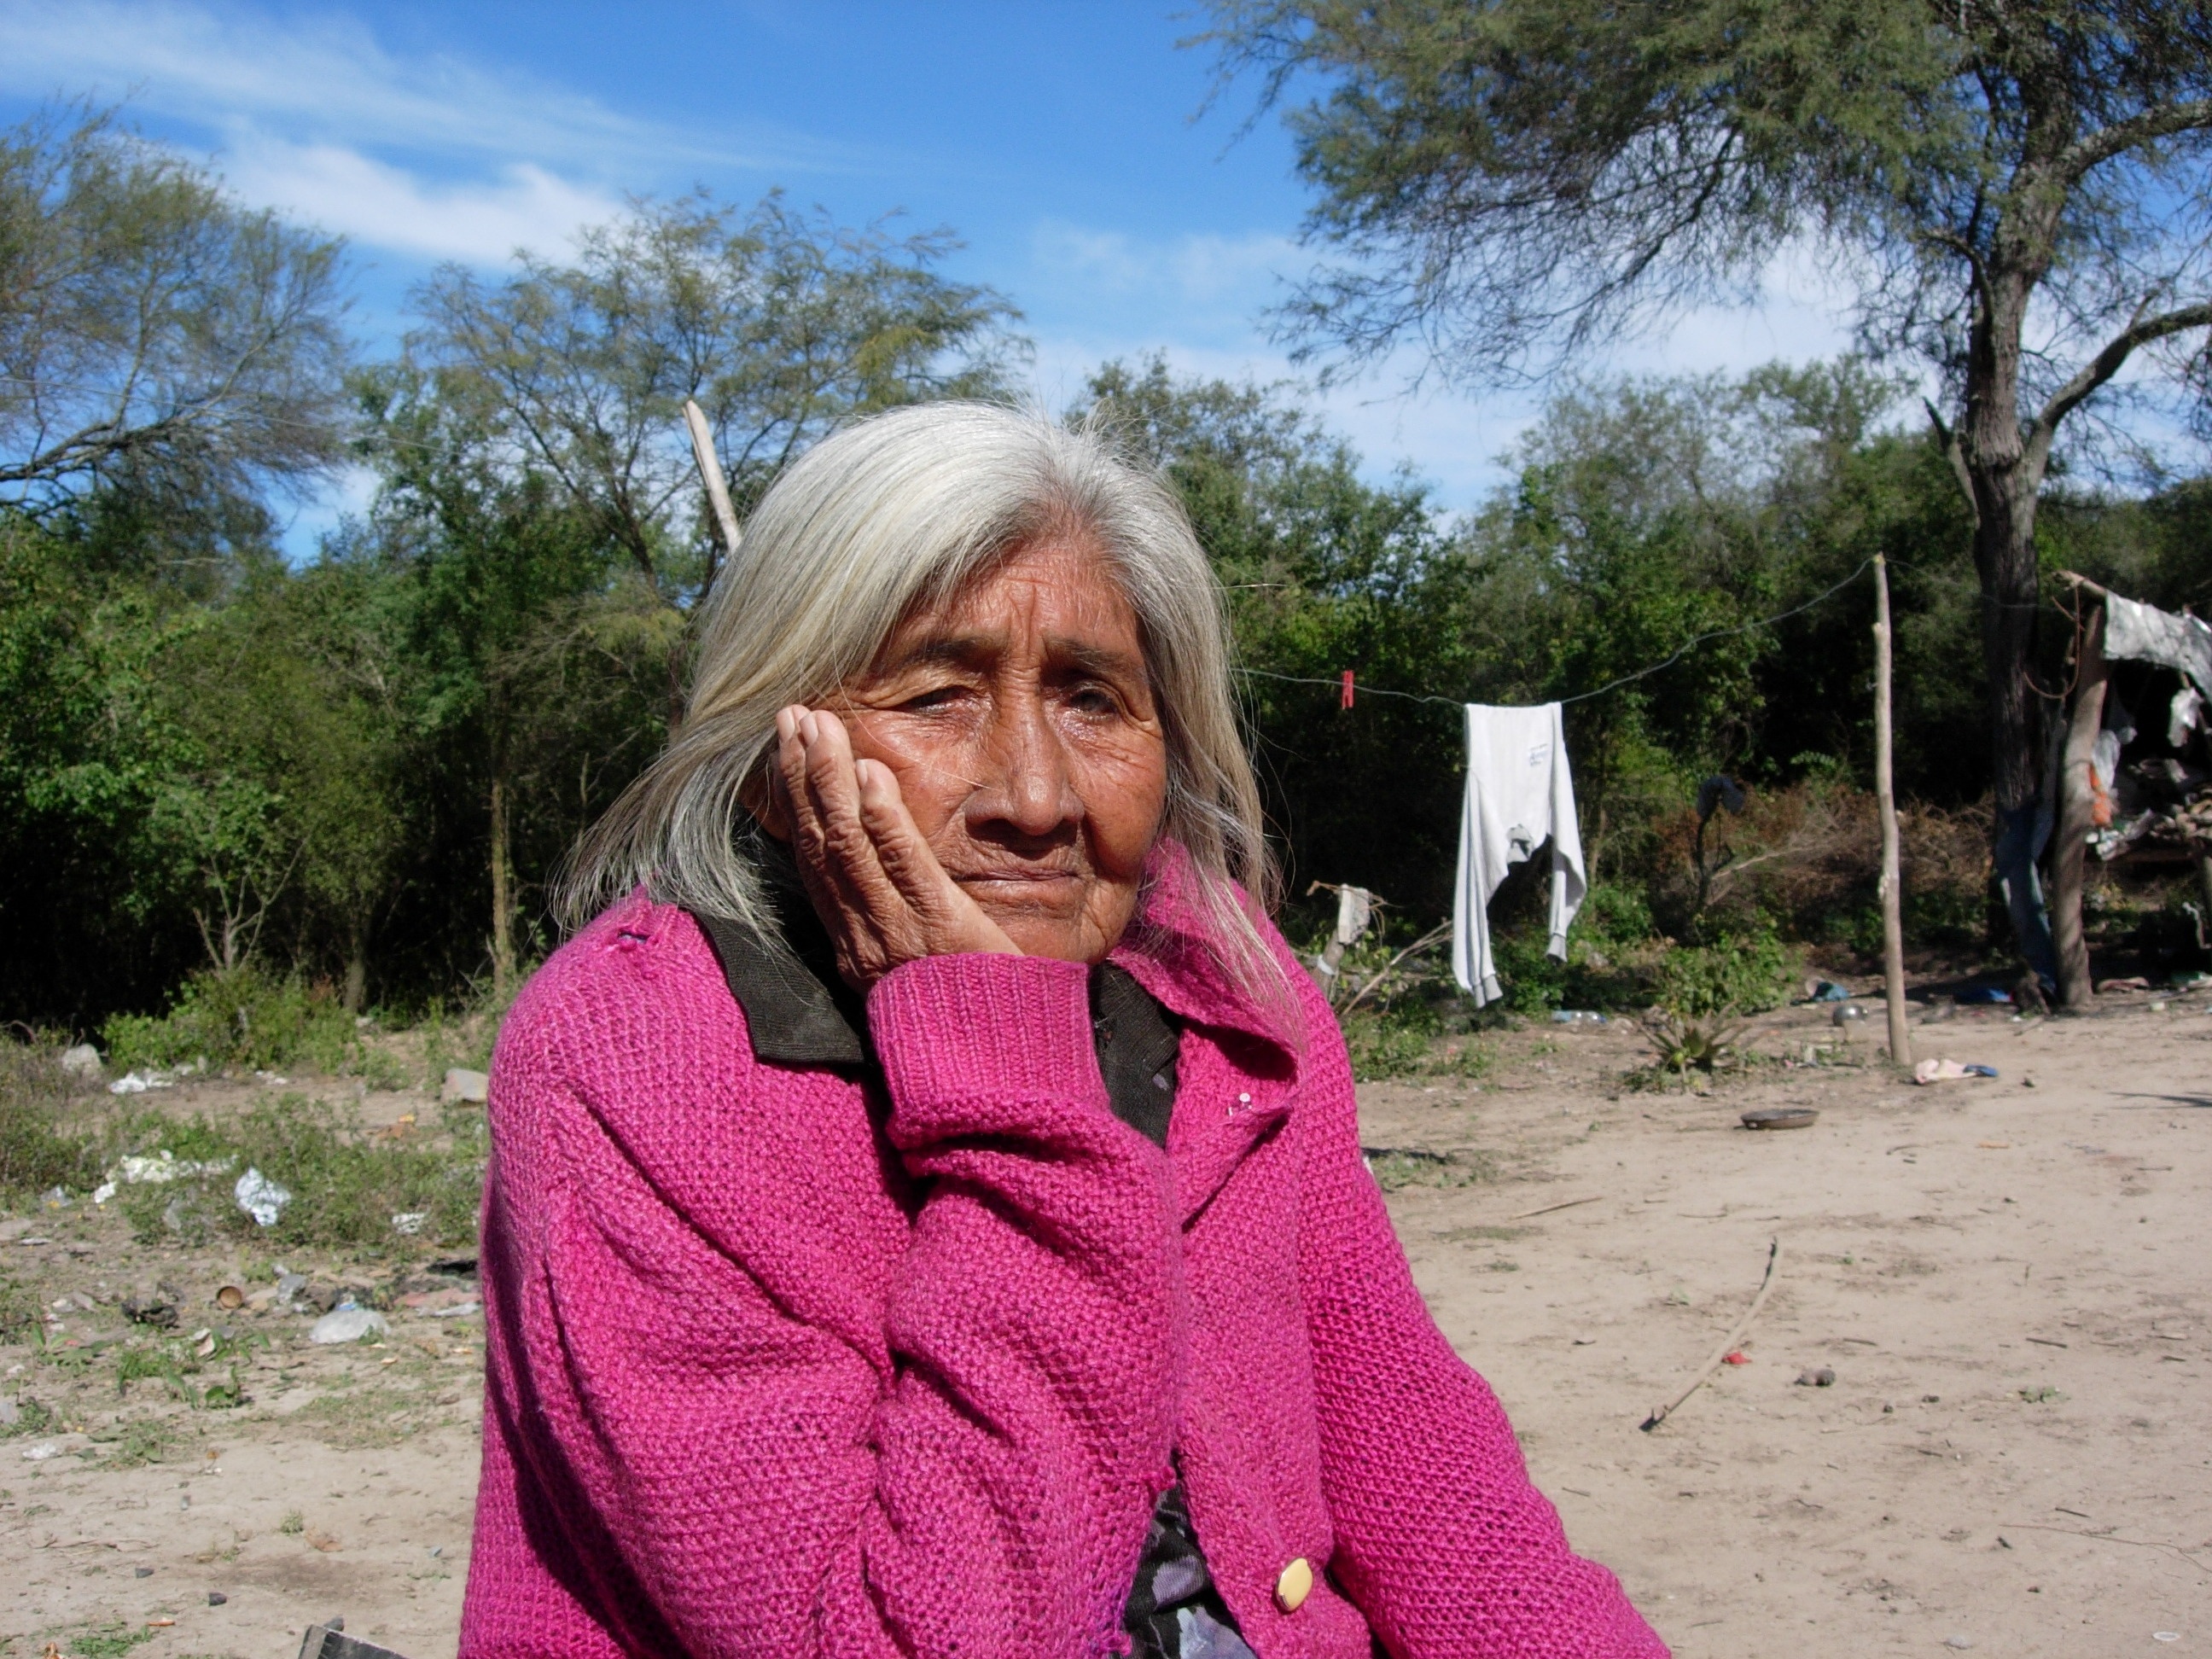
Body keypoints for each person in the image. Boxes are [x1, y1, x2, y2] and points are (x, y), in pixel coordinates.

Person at [457, 402, 1667, 1659]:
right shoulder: (636, 1053)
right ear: (776, 752)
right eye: (934, 695)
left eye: (1094, 699)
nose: (1035, 797)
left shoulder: (1228, 989)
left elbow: (1419, 1460)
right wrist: (1002, 1081)